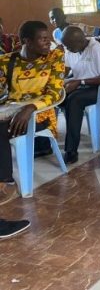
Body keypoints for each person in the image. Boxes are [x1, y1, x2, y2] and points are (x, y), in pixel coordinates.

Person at [0, 21, 65, 205]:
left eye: (48, 38)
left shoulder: (54, 58)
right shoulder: (7, 61)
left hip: (40, 115)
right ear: (27, 41)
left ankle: (6, 181)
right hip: (10, 111)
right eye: (43, 39)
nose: (48, 43)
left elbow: (55, 93)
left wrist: (30, 108)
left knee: (1, 131)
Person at [61, 26, 100, 164]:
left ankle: (71, 150)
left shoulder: (96, 49)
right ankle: (44, 143)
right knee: (60, 97)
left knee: (74, 100)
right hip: (82, 86)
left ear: (80, 41)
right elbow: (66, 70)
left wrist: (80, 82)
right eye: (65, 46)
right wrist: (59, 82)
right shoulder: (71, 48)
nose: (67, 49)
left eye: (69, 46)